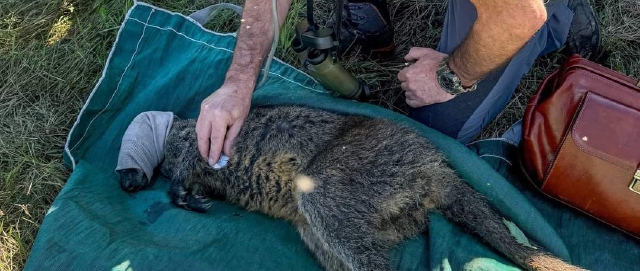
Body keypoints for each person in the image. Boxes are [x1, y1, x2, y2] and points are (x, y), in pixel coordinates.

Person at [195, 0, 600, 167]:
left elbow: (519, 15)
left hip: (519, 8)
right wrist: (238, 81)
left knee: (435, 129)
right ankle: (368, 16)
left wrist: (449, 75)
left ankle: (565, 16)